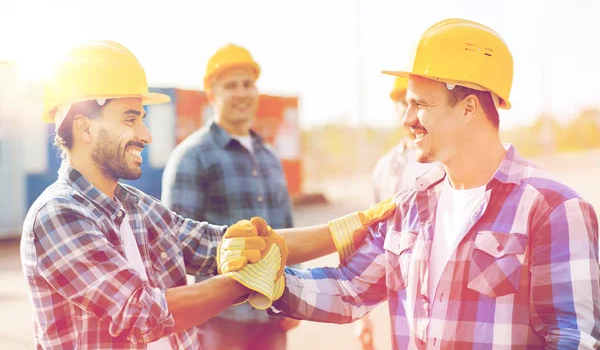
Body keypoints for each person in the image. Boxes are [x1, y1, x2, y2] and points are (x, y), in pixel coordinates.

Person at [221, 19, 600, 348]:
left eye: (420, 104)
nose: (407, 119)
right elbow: (350, 288)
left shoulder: (552, 210)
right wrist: (271, 280)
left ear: (469, 107)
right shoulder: (412, 204)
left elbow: (571, 338)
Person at [20, 40, 395, 349]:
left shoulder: (136, 209)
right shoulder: (58, 216)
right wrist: (249, 281)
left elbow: (220, 244)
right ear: (85, 128)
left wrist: (348, 228)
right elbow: (142, 313)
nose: (146, 135)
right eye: (131, 118)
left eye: (142, 119)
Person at [161, 44, 299, 350]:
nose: (241, 93)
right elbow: (171, 246)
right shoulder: (191, 157)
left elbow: (286, 235)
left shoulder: (270, 157)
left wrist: (295, 295)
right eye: (230, 86)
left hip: (272, 314)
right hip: (220, 322)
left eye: (247, 84)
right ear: (212, 95)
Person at [356, 76, 435, 350]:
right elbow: (370, 241)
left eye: (415, 101)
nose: (408, 110)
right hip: (404, 294)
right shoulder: (386, 169)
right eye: (402, 102)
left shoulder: (450, 157)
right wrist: (362, 317)